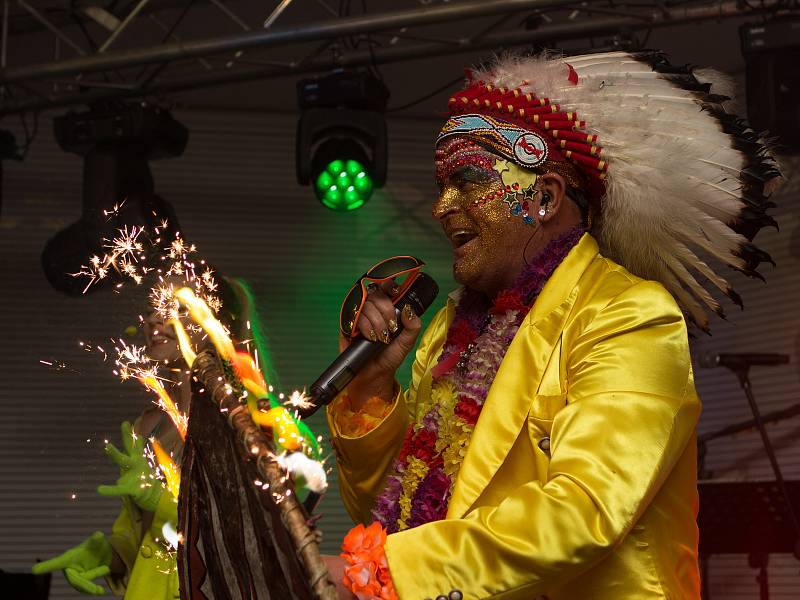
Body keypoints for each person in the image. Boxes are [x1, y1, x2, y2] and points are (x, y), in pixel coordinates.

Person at [322, 51, 779, 599]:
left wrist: (392, 576)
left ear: (544, 197)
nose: (442, 206)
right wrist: (371, 390)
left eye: (467, 181)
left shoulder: (629, 315)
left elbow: (585, 509)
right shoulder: (448, 332)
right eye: (443, 185)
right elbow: (393, 508)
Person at [33, 275, 273, 599]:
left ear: (215, 321)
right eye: (150, 310)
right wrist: (109, 555)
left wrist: (159, 503)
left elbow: (245, 530)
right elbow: (140, 545)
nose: (153, 319)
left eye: (172, 307)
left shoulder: (245, 421)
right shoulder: (146, 428)